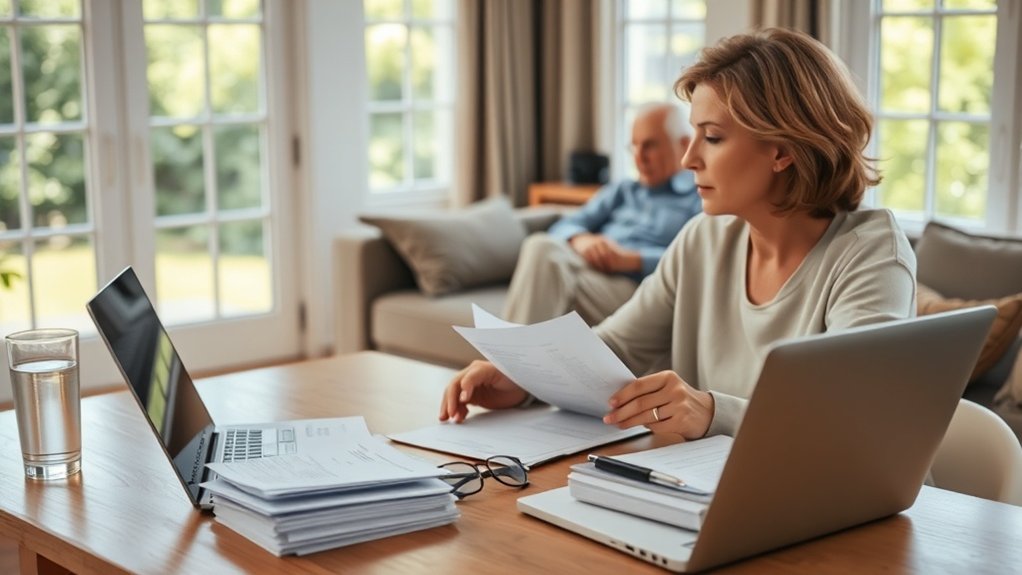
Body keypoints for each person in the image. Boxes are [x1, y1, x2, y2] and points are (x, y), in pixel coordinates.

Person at [440, 28, 916, 439]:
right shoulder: (703, 240)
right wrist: (524, 380)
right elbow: (616, 347)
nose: (688, 160)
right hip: (717, 496)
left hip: (849, 516)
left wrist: (711, 412)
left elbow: (853, 417)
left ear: (782, 150)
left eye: (712, 137)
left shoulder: (871, 254)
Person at [502, 102, 701, 326]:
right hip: (588, 270)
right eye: (634, 146)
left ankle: (502, 358)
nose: (639, 157)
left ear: (683, 145)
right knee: (539, 246)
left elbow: (697, 262)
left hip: (636, 288)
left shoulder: (698, 197)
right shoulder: (624, 190)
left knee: (546, 272)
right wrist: (582, 239)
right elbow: (564, 225)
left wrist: (632, 260)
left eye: (650, 146)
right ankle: (510, 357)